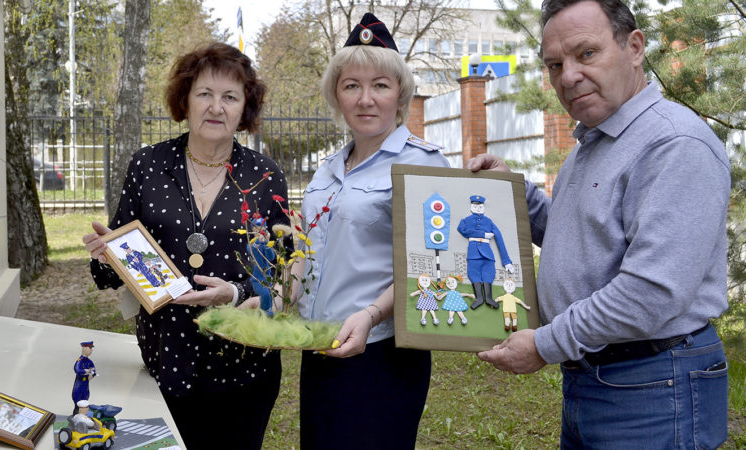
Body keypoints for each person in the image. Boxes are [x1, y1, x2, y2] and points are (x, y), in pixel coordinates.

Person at [469, 0, 730, 447]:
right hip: (601, 380)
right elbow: (579, 239)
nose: (567, 76)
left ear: (634, 47)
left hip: (653, 387)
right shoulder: (598, 139)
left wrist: (544, 344)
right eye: (554, 64)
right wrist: (514, 192)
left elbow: (651, 292)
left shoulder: (673, 143)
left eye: (585, 53)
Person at [81, 42, 290, 449]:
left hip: (244, 367)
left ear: (244, 108)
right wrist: (106, 255)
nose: (217, 107)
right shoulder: (148, 166)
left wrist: (236, 293)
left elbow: (283, 272)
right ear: (185, 100)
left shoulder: (266, 176)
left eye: (230, 96)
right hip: (164, 361)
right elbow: (118, 263)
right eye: (205, 94)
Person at [292, 13, 450, 449]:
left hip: (382, 351)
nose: (366, 99)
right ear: (336, 96)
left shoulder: (422, 163)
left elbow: (434, 265)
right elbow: (311, 249)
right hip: (321, 348)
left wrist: (371, 316)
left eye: (380, 85)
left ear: (399, 94)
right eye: (351, 85)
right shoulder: (329, 167)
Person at [457, 195, 515, 309]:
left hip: (487, 253)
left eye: (480, 206)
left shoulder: (489, 221)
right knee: (474, 273)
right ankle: (479, 298)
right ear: (472, 206)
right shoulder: (466, 220)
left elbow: (499, 238)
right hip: (473, 252)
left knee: (489, 273)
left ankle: (488, 298)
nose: (478, 208)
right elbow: (462, 230)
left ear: (483, 207)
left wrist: (506, 261)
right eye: (476, 206)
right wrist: (482, 234)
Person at [71, 341, 96, 414]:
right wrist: (86, 371)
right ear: (84, 348)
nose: (91, 350)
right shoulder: (80, 361)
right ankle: (76, 412)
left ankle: (84, 413)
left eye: (92, 348)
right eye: (90, 348)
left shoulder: (89, 361)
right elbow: (77, 369)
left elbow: (93, 369)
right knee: (77, 397)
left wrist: (92, 374)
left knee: (85, 397)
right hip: (79, 384)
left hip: (86, 384)